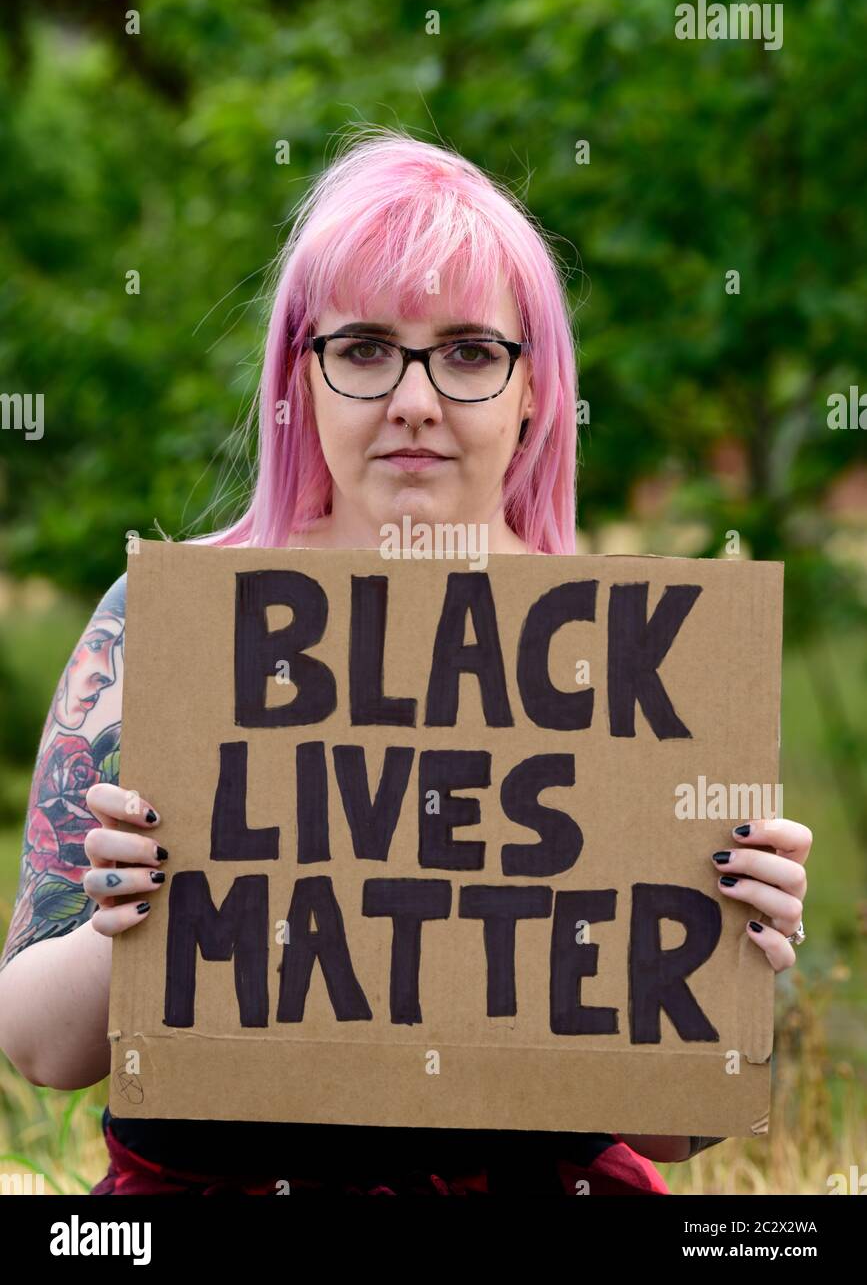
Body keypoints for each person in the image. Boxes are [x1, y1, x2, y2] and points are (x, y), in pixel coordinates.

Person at [0, 127, 811, 1196]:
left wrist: (735, 946)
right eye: (367, 348)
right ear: (304, 374)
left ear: (536, 388)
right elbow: (39, 1046)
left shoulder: (630, 655)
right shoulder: (162, 625)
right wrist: (137, 926)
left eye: (471, 351)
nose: (416, 399)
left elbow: (667, 1131)